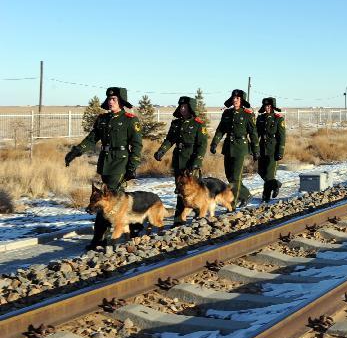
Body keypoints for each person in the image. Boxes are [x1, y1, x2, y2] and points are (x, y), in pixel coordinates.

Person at [64, 87, 143, 250]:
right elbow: (92, 138)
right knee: (115, 201)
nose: (110, 101)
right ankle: (133, 228)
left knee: (107, 201)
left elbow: (136, 145)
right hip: (105, 163)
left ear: (121, 102)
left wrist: (132, 166)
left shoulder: (130, 120)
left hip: (120, 163)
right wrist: (76, 151)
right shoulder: (102, 119)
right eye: (109, 99)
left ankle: (100, 239)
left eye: (114, 99)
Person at [153, 96, 209, 224]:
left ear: (191, 108)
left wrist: (196, 163)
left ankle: (198, 215)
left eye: (185, 107)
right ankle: (179, 220)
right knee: (180, 190)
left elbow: (202, 145)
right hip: (178, 160)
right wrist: (161, 151)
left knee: (193, 191)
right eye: (181, 106)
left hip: (191, 161)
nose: (182, 109)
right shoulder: (176, 123)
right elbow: (170, 139)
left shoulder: (198, 124)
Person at [209, 89, 259, 209]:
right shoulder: (227, 113)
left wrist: (256, 149)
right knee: (230, 176)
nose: (235, 100)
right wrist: (214, 143)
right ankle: (246, 195)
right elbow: (220, 130)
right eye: (234, 98)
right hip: (228, 147)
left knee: (235, 178)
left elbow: (253, 133)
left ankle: (232, 203)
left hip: (240, 148)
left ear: (242, 100)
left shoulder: (247, 114)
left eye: (238, 98)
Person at [256, 97, 286, 202]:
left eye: (269, 106)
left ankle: (265, 197)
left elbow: (282, 137)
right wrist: (254, 148)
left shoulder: (278, 118)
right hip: (262, 149)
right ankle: (276, 184)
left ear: (273, 107)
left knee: (269, 174)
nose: (267, 108)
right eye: (266, 106)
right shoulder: (260, 118)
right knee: (260, 171)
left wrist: (280, 152)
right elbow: (256, 134)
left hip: (273, 150)